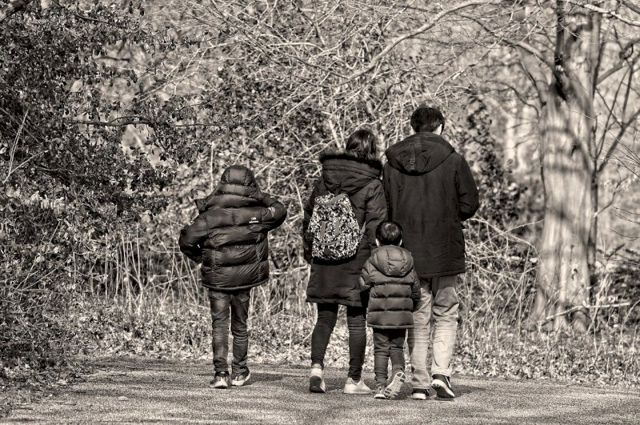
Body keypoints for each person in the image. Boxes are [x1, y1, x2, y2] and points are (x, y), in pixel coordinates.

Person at [383, 106, 479, 400]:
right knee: (446, 312)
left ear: (413, 127)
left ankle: (420, 383)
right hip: (445, 247)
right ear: (440, 128)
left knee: (418, 314)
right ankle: (441, 374)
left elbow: (386, 208)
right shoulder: (453, 160)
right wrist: (448, 215)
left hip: (409, 249)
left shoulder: (393, 164)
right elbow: (470, 204)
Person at [179, 165, 287, 389]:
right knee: (240, 325)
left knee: (219, 325)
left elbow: (187, 240)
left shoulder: (210, 215)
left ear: (223, 184)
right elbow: (280, 209)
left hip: (218, 279)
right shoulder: (258, 214)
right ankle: (239, 372)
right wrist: (260, 196)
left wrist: (202, 258)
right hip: (245, 279)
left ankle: (220, 374)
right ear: (250, 185)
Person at [302, 128, 387, 394]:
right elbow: (375, 226)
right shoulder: (373, 183)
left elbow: (309, 216)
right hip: (356, 258)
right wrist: (375, 264)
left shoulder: (325, 178)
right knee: (356, 320)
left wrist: (310, 251)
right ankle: (353, 380)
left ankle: (316, 370)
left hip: (325, 256)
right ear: (372, 152)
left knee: (324, 317)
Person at [360, 221, 420, 400]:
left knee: (380, 349)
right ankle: (398, 371)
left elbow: (363, 285)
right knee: (396, 347)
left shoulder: (372, 260)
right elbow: (416, 291)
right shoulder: (409, 261)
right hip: (402, 315)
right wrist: (411, 306)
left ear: (377, 241)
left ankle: (380, 386)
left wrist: (368, 302)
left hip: (379, 314)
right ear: (401, 241)